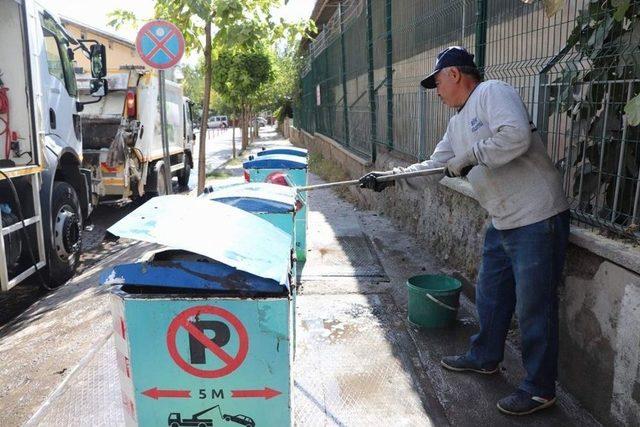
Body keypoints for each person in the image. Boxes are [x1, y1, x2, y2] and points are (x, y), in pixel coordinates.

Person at [359, 46, 570, 416]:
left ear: (454, 75)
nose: (436, 92)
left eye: (437, 83)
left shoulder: (493, 93)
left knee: (535, 306)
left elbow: (516, 136)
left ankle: (539, 389)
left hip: (537, 217)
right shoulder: (457, 124)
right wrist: (389, 179)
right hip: (503, 219)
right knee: (490, 295)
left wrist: (469, 157)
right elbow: (434, 167)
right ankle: (485, 355)